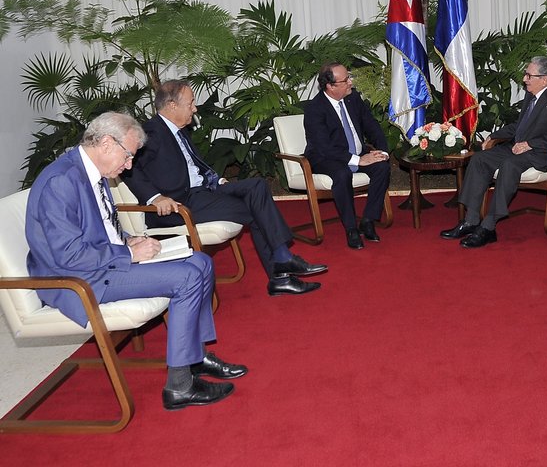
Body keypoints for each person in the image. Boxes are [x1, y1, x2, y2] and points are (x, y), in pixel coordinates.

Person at [26, 112, 247, 410]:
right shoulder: (62, 181)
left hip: (101, 263)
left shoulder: (91, 170)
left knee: (200, 262)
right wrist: (129, 254)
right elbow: (69, 255)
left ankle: (195, 356)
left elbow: (101, 225)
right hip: (78, 279)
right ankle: (180, 387)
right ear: (106, 143)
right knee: (187, 277)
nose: (129, 165)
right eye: (128, 156)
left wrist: (129, 240)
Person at [123, 80, 325, 296]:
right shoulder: (152, 132)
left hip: (203, 192)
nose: (195, 108)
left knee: (257, 186)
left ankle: (282, 264)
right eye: (190, 103)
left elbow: (193, 167)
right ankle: (282, 269)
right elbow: (128, 168)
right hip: (180, 203)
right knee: (257, 210)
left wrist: (217, 181)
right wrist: (155, 197)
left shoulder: (177, 130)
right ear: (172, 106)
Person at [440, 56, 547, 248]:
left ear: (544, 79)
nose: (524, 79)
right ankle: (471, 220)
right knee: (479, 159)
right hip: (518, 147)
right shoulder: (531, 95)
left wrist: (530, 144)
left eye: (529, 75)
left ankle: (488, 227)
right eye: (525, 74)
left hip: (543, 152)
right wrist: (493, 136)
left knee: (509, 165)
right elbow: (519, 126)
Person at [303, 62, 391, 250]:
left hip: (357, 152)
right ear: (330, 86)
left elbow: (372, 126)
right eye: (346, 80)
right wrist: (359, 160)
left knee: (382, 167)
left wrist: (382, 152)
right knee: (342, 174)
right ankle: (351, 229)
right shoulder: (315, 109)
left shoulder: (353, 98)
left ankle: (368, 220)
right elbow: (324, 147)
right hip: (325, 158)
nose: (351, 82)